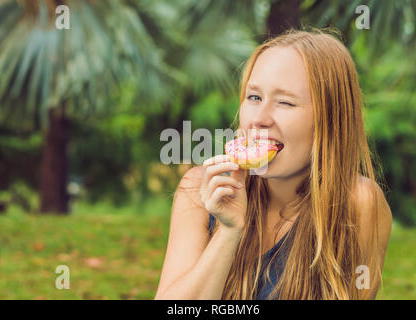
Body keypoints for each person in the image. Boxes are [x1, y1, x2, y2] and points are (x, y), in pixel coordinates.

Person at [154, 29, 392, 300]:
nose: (259, 118)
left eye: (285, 102)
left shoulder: (359, 204)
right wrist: (228, 233)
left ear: (329, 119)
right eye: (254, 97)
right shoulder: (199, 189)